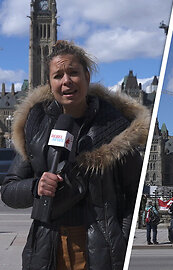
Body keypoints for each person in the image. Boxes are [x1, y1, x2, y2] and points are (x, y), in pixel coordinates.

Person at [0, 40, 149, 270]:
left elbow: (135, 193)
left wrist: (121, 239)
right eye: (58, 75)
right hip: (46, 249)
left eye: (73, 73)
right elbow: (9, 190)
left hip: (98, 251)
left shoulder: (117, 127)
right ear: (50, 84)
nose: (66, 81)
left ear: (87, 77)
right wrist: (35, 187)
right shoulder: (35, 125)